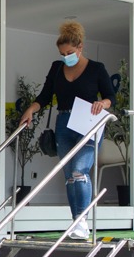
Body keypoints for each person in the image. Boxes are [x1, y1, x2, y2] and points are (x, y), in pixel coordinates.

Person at [18, 20, 116, 239]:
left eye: (70, 52)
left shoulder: (96, 69)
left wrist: (103, 104)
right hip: (64, 123)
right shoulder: (57, 68)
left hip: (88, 123)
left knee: (80, 171)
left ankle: (82, 220)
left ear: (80, 47)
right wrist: (31, 110)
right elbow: (44, 96)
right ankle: (76, 222)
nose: (66, 57)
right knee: (69, 176)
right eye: (62, 53)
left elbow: (112, 97)